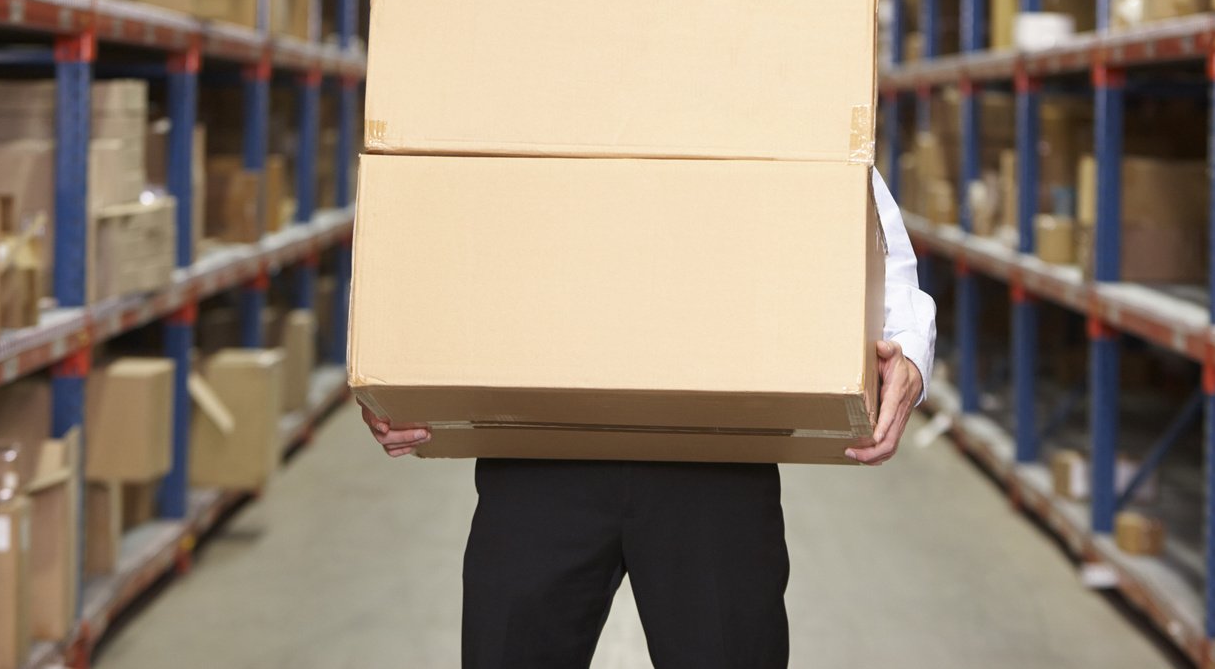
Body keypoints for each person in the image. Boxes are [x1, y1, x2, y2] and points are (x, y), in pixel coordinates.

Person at [361, 169, 937, 668]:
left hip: (717, 450)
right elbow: (432, 185)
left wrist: (908, 348)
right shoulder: (515, 57)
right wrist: (391, 360)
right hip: (538, 446)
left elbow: (840, 173)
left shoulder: (755, 53)